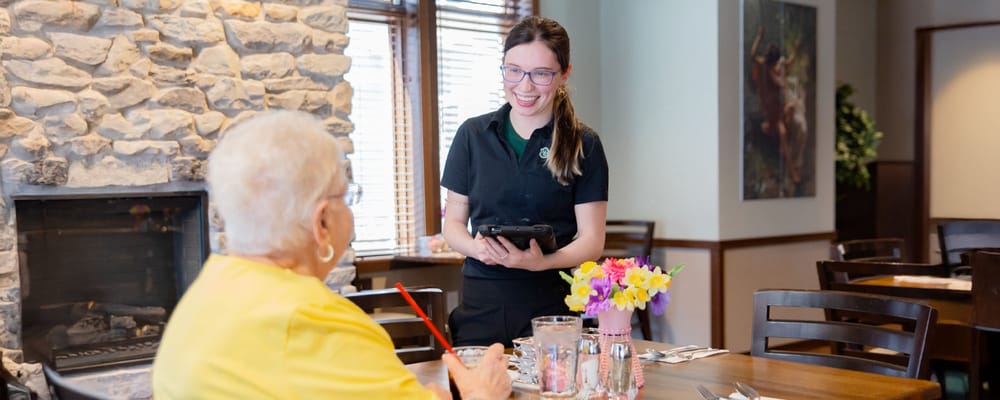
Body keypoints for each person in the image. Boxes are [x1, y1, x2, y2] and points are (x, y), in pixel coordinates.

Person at [152, 110, 511, 399]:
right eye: (346, 196)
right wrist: (482, 394)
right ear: (321, 221)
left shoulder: (201, 297)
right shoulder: (318, 322)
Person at [441, 16, 609, 347]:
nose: (525, 86)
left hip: (550, 310)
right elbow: (453, 225)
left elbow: (592, 240)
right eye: (514, 70)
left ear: (564, 74)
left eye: (541, 74)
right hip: (480, 307)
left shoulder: (584, 143)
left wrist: (541, 262)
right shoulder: (472, 136)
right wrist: (477, 248)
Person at [750, 25, 806, 184]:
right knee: (782, 134)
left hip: (782, 109)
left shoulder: (779, 65)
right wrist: (758, 37)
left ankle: (792, 155)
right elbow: (753, 55)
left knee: (795, 106)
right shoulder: (763, 66)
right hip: (773, 113)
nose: (775, 66)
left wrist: (795, 48)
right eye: (773, 64)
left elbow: (790, 61)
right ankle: (792, 170)